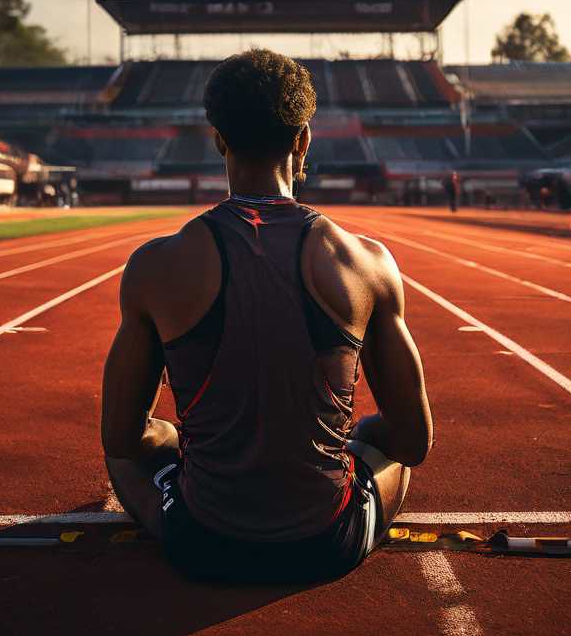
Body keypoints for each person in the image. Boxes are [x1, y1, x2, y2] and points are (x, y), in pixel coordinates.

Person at [102, 49, 430, 583]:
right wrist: (363, 432)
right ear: (303, 139)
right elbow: (415, 441)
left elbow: (119, 439)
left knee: (145, 443)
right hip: (327, 544)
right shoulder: (367, 262)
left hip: (201, 542)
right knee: (378, 441)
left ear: (219, 140)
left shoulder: (155, 265)